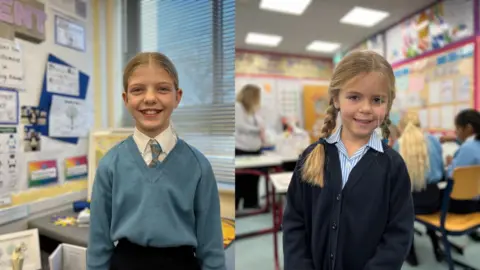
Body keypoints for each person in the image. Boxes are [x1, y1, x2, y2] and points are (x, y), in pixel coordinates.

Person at [87, 52, 225, 270]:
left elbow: (212, 248)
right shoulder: (109, 165)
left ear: (177, 96)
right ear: (126, 99)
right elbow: (98, 246)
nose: (150, 98)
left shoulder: (199, 166)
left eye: (162, 89)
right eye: (138, 90)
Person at [282, 50, 414, 270]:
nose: (365, 108)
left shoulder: (393, 166)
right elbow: (295, 222)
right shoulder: (311, 157)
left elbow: (398, 235)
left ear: (388, 104)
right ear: (336, 98)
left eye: (377, 100)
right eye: (354, 97)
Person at [393, 111, 444, 265]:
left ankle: (411, 254)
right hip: (436, 201)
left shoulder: (398, 144)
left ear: (401, 128)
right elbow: (441, 172)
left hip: (412, 205)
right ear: (419, 126)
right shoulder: (433, 141)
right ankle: (436, 246)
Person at [446, 109, 480, 241]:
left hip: (463, 206)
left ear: (469, 128)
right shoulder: (473, 145)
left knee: (431, 195)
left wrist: (450, 164)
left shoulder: (467, 148)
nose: (456, 132)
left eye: (458, 129)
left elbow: (451, 176)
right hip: (477, 201)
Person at [235, 84, 264, 210]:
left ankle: (251, 203)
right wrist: (258, 130)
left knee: (253, 178)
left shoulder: (252, 111)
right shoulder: (238, 107)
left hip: (254, 149)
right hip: (242, 149)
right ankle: (236, 205)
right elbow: (241, 126)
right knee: (241, 179)